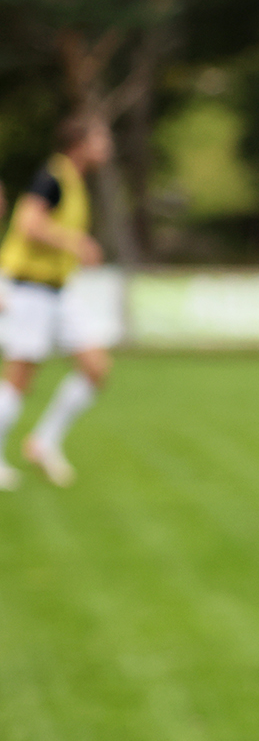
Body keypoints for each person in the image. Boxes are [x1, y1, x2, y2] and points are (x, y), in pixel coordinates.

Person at [0, 116, 116, 489]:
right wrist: (75, 243)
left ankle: (44, 441)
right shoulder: (52, 177)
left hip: (59, 290)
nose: (107, 145)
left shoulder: (74, 181)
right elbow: (28, 225)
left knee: (96, 367)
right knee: (20, 378)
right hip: (29, 288)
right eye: (101, 137)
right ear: (80, 143)